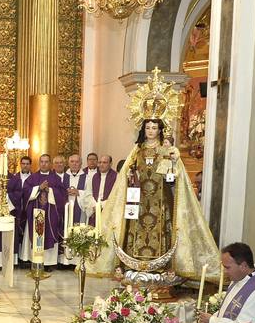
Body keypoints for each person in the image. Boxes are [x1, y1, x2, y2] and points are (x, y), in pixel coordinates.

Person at [93, 116, 219, 280]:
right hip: (139, 201)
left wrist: (174, 163)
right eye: (148, 128)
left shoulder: (168, 150)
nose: (150, 131)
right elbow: (126, 172)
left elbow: (175, 176)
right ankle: (134, 265)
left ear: (160, 130)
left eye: (154, 128)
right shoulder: (137, 150)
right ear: (143, 130)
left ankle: (162, 267)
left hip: (160, 201)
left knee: (161, 231)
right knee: (136, 231)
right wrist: (131, 174)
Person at [21, 154, 65, 269]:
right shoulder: (32, 178)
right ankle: (34, 260)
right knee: (35, 233)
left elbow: (62, 194)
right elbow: (25, 192)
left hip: (51, 215)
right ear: (39, 163)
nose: (44, 164)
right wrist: (38, 188)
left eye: (46, 162)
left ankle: (49, 263)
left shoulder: (56, 178)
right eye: (42, 161)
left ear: (50, 163)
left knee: (49, 234)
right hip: (34, 213)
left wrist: (49, 190)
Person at [55, 154, 87, 269]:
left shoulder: (86, 177)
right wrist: (65, 192)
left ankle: (76, 262)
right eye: (72, 161)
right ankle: (64, 260)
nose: (74, 164)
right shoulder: (63, 176)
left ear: (81, 163)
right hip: (66, 209)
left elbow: (89, 193)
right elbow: (57, 191)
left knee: (78, 231)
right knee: (65, 231)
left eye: (77, 162)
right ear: (68, 163)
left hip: (80, 208)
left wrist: (79, 192)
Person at [77, 153, 118, 228]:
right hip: (94, 210)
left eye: (104, 162)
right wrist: (94, 206)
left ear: (110, 164)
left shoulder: (116, 177)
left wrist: (101, 205)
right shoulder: (94, 177)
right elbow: (88, 194)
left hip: (108, 211)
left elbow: (116, 195)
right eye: (100, 162)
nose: (101, 165)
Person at [7, 155, 34, 264]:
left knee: (28, 232)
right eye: (23, 163)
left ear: (30, 165)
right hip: (17, 209)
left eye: (27, 164)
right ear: (20, 164)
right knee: (17, 232)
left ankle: (26, 256)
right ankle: (17, 257)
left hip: (29, 209)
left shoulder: (34, 178)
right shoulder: (14, 178)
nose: (25, 166)